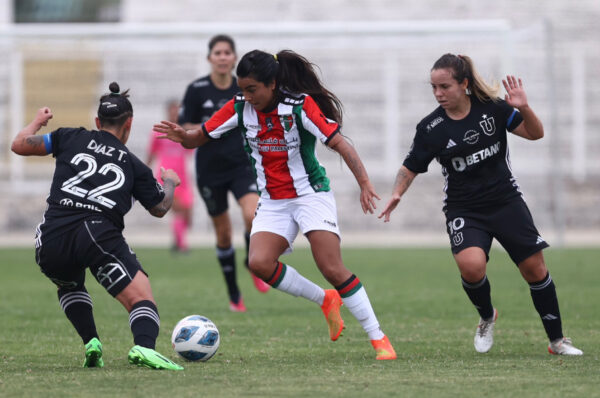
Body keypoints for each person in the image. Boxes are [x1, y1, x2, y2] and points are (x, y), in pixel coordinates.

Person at [155, 49, 397, 360]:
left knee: (331, 266)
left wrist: (364, 183)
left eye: (252, 89)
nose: (246, 96)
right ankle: (326, 300)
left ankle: (379, 339)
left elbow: (339, 143)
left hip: (310, 194)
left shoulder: (298, 106)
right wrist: (182, 135)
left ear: (271, 83)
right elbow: (199, 137)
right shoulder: (239, 107)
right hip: (273, 201)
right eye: (242, 89)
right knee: (259, 263)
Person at [378, 53, 583, 356]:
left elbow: (536, 134)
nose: (438, 94)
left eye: (444, 86)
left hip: (506, 201)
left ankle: (557, 341)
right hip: (464, 208)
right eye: (434, 88)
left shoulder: (494, 109)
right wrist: (397, 192)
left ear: (464, 84)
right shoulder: (431, 128)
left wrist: (523, 106)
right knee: (471, 267)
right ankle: (487, 316)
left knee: (534, 268)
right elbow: (410, 167)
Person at [11, 82, 185, 370]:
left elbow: (19, 145)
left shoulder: (69, 136)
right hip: (96, 231)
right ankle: (144, 347)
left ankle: (91, 342)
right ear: (129, 124)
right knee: (141, 295)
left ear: (97, 122)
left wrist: (38, 121)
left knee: (69, 283)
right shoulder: (132, 164)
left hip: (51, 236)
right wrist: (170, 182)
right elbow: (160, 207)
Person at [178, 34, 269, 312]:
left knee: (252, 215)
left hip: (241, 165)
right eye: (217, 52)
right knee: (224, 234)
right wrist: (212, 123)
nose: (222, 57)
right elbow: (184, 127)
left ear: (234, 58)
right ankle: (234, 294)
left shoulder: (243, 89)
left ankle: (252, 261)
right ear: (210, 58)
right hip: (209, 169)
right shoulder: (196, 89)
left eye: (227, 52)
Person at [147, 100, 194, 253]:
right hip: (167, 175)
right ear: (168, 112)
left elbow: (191, 150)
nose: (175, 114)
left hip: (183, 177)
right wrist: (145, 174)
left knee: (188, 213)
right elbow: (151, 154)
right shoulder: (158, 132)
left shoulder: (183, 131)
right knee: (178, 209)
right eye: (173, 111)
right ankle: (182, 245)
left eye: (177, 111)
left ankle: (177, 241)